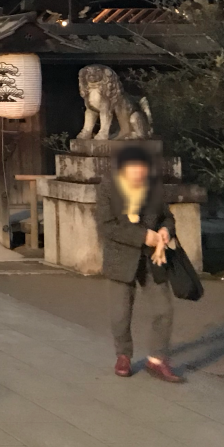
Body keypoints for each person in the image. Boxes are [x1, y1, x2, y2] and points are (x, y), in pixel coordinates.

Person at [97, 145, 183, 382]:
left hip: (152, 259)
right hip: (121, 257)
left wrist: (165, 230)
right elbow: (106, 226)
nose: (139, 172)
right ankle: (123, 355)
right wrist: (143, 236)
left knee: (164, 309)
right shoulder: (108, 188)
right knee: (120, 314)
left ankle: (156, 359)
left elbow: (167, 216)